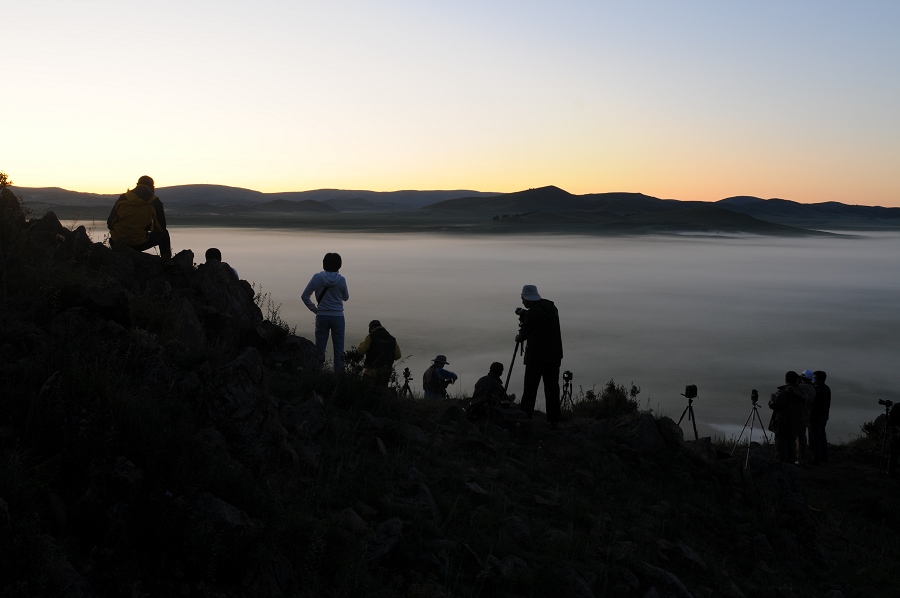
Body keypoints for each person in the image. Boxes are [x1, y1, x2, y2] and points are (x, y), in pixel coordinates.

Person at [515, 284, 563, 428]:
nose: (522, 301)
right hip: (554, 355)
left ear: (528, 298)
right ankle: (553, 419)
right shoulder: (551, 308)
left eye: (523, 298)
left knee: (530, 387)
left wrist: (518, 336)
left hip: (536, 356)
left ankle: (525, 417)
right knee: (552, 388)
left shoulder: (533, 313)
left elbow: (523, 335)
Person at [301, 253, 349, 370]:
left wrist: (315, 310)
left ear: (324, 264)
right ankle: (339, 377)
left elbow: (305, 296)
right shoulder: (341, 280)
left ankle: (317, 373)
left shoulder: (316, 278)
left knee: (319, 349)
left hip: (322, 316)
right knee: (339, 350)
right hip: (338, 317)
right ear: (339, 265)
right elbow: (346, 297)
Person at [107, 175, 172, 259]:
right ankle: (166, 261)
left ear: (137, 185)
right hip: (137, 244)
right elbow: (161, 227)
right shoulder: (155, 202)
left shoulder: (123, 198)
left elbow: (110, 223)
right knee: (164, 234)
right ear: (152, 187)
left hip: (116, 241)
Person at [768, 371, 807, 464]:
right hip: (795, 422)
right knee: (791, 444)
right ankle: (791, 464)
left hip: (782, 423)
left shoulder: (784, 393)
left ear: (786, 379)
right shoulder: (801, 393)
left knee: (781, 446)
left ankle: (781, 466)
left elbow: (776, 406)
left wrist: (772, 399)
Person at [356, 320, 401, 388]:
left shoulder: (371, 337)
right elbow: (398, 356)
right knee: (381, 393)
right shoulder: (392, 339)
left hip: (371, 372)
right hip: (386, 373)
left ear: (372, 328)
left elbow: (360, 351)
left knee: (367, 392)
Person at [810, 370, 832, 465]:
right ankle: (823, 458)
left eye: (814, 378)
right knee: (821, 437)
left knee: (815, 439)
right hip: (823, 417)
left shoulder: (820, 390)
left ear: (820, 379)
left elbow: (815, 404)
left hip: (816, 417)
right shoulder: (826, 388)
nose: (813, 380)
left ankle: (816, 459)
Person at [796, 369, 816, 464]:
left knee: (796, 438)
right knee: (802, 438)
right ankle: (803, 458)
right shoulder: (812, 388)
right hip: (807, 415)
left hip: (799, 415)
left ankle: (798, 458)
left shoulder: (801, 387)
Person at [888, 402, 900, 479]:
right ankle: (892, 473)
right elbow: (890, 421)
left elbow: (890, 421)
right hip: (896, 434)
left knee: (894, 454)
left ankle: (891, 473)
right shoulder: (896, 406)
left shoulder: (896, 406)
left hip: (895, 433)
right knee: (894, 454)